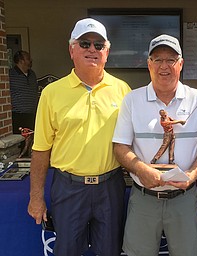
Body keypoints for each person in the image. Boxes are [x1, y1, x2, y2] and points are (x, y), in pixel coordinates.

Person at [27, 18, 131, 256]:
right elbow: (41, 149)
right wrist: (36, 197)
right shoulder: (52, 93)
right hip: (68, 188)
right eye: (85, 43)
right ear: (71, 49)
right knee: (67, 252)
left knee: (110, 251)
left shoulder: (123, 90)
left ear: (107, 51)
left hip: (110, 187)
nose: (92, 50)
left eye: (98, 44)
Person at [112, 34, 197, 256]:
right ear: (149, 65)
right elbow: (120, 147)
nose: (164, 66)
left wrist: (192, 174)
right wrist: (142, 169)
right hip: (144, 198)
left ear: (180, 64)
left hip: (184, 198)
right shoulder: (132, 100)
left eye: (170, 60)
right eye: (157, 59)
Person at [9, 50, 38, 134]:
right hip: (18, 116)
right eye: (28, 58)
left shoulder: (32, 74)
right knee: (20, 141)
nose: (31, 60)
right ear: (21, 61)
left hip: (32, 115)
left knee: (31, 139)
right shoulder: (10, 74)